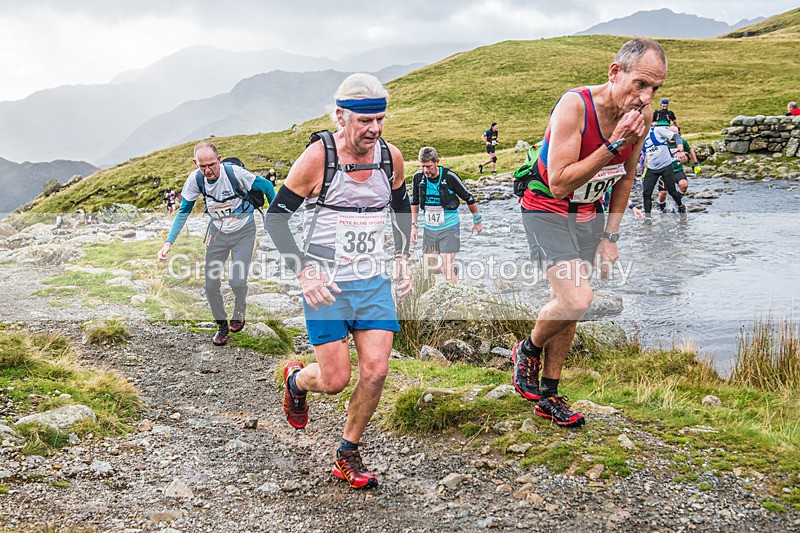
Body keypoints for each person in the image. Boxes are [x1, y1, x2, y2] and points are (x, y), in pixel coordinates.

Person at [264, 73, 412, 489]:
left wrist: (402, 256)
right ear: (341, 116)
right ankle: (296, 380)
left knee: (377, 371)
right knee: (334, 381)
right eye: (365, 122)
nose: (375, 129)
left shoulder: (390, 158)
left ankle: (347, 451)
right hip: (325, 283)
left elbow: (401, 209)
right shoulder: (319, 157)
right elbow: (276, 217)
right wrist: (303, 270)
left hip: (371, 281)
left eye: (380, 120)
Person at [513, 38, 665, 427]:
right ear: (615, 72)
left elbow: (627, 179)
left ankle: (549, 393)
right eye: (640, 85)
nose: (646, 98)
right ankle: (527, 350)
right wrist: (616, 142)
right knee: (577, 298)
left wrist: (610, 238)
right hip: (547, 206)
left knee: (568, 305)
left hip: (588, 213)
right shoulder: (575, 105)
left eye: (655, 90)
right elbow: (561, 182)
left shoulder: (640, 118)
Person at [157, 143, 275, 346]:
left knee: (237, 281)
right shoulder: (195, 180)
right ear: (195, 164)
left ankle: (240, 307)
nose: (208, 171)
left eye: (211, 164)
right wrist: (168, 242)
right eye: (202, 166)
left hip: (244, 232)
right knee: (210, 284)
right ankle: (221, 325)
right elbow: (183, 211)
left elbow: (267, 187)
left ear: (219, 159)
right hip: (217, 234)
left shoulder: (235, 174)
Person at [411, 147, 483, 284]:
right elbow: (414, 202)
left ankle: (455, 300)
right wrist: (413, 226)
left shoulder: (449, 177)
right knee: (430, 267)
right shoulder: (418, 178)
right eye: (423, 166)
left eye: (429, 166)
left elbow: (469, 198)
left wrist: (477, 220)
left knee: (446, 268)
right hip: (429, 228)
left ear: (437, 162)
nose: (426, 170)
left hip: (450, 227)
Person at [642, 125, 687, 223]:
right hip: (652, 169)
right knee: (646, 193)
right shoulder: (639, 136)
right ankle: (648, 218)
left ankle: (680, 206)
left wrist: (680, 151)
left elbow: (677, 137)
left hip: (666, 167)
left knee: (672, 191)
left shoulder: (657, 131)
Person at [655, 132, 699, 213]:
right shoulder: (662, 142)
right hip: (665, 171)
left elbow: (690, 151)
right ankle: (661, 208)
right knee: (662, 193)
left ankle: (677, 201)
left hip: (677, 170)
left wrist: (696, 164)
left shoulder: (682, 142)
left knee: (684, 185)